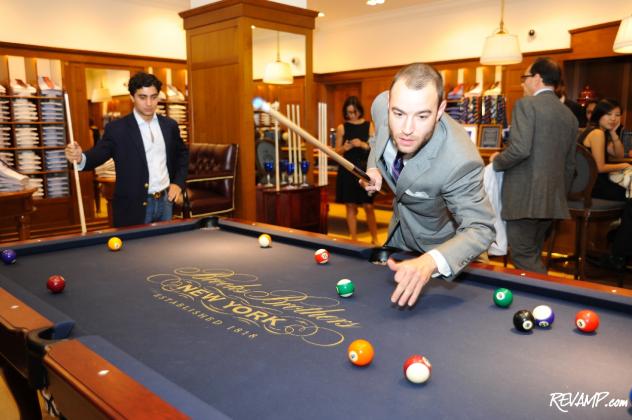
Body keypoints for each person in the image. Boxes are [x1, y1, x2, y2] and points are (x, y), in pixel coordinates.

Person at [363, 63, 495, 307]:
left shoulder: (459, 160)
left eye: (422, 116)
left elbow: (481, 228)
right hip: (400, 238)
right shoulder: (382, 105)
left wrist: (430, 261)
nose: (407, 129)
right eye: (398, 114)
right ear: (389, 103)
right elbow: (377, 139)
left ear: (440, 110)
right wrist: (373, 168)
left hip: (441, 248)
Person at [65, 72, 189, 227]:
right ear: (132, 97)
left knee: (166, 243)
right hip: (133, 206)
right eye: (142, 97)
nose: (149, 103)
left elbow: (182, 155)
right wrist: (79, 158)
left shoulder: (169, 125)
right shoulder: (117, 129)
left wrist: (178, 183)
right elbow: (98, 155)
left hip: (165, 202)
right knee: (137, 244)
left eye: (153, 97)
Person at [490, 57, 577, 273]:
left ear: (537, 78)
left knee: (523, 256)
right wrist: (560, 195)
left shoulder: (526, 104)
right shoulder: (569, 115)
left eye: (525, 77)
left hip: (525, 198)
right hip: (553, 199)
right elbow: (570, 165)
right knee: (533, 252)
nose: (522, 82)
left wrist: (496, 161)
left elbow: (520, 149)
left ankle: (547, 294)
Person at [578, 98, 631, 270]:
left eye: (617, 115)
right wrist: (625, 165)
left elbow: (618, 154)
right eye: (609, 114)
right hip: (594, 186)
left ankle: (619, 248)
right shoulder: (597, 134)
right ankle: (618, 254)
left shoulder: (597, 132)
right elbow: (600, 167)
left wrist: (614, 133)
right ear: (599, 114)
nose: (613, 118)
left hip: (590, 185)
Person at [334, 96, 378, 244]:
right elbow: (336, 152)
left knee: (368, 206)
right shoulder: (342, 127)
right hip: (347, 170)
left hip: (365, 170)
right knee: (350, 205)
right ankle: (353, 240)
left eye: (354, 112)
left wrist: (362, 144)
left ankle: (375, 239)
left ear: (359, 110)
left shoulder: (369, 125)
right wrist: (345, 148)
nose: (351, 115)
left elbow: (375, 148)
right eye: (348, 112)